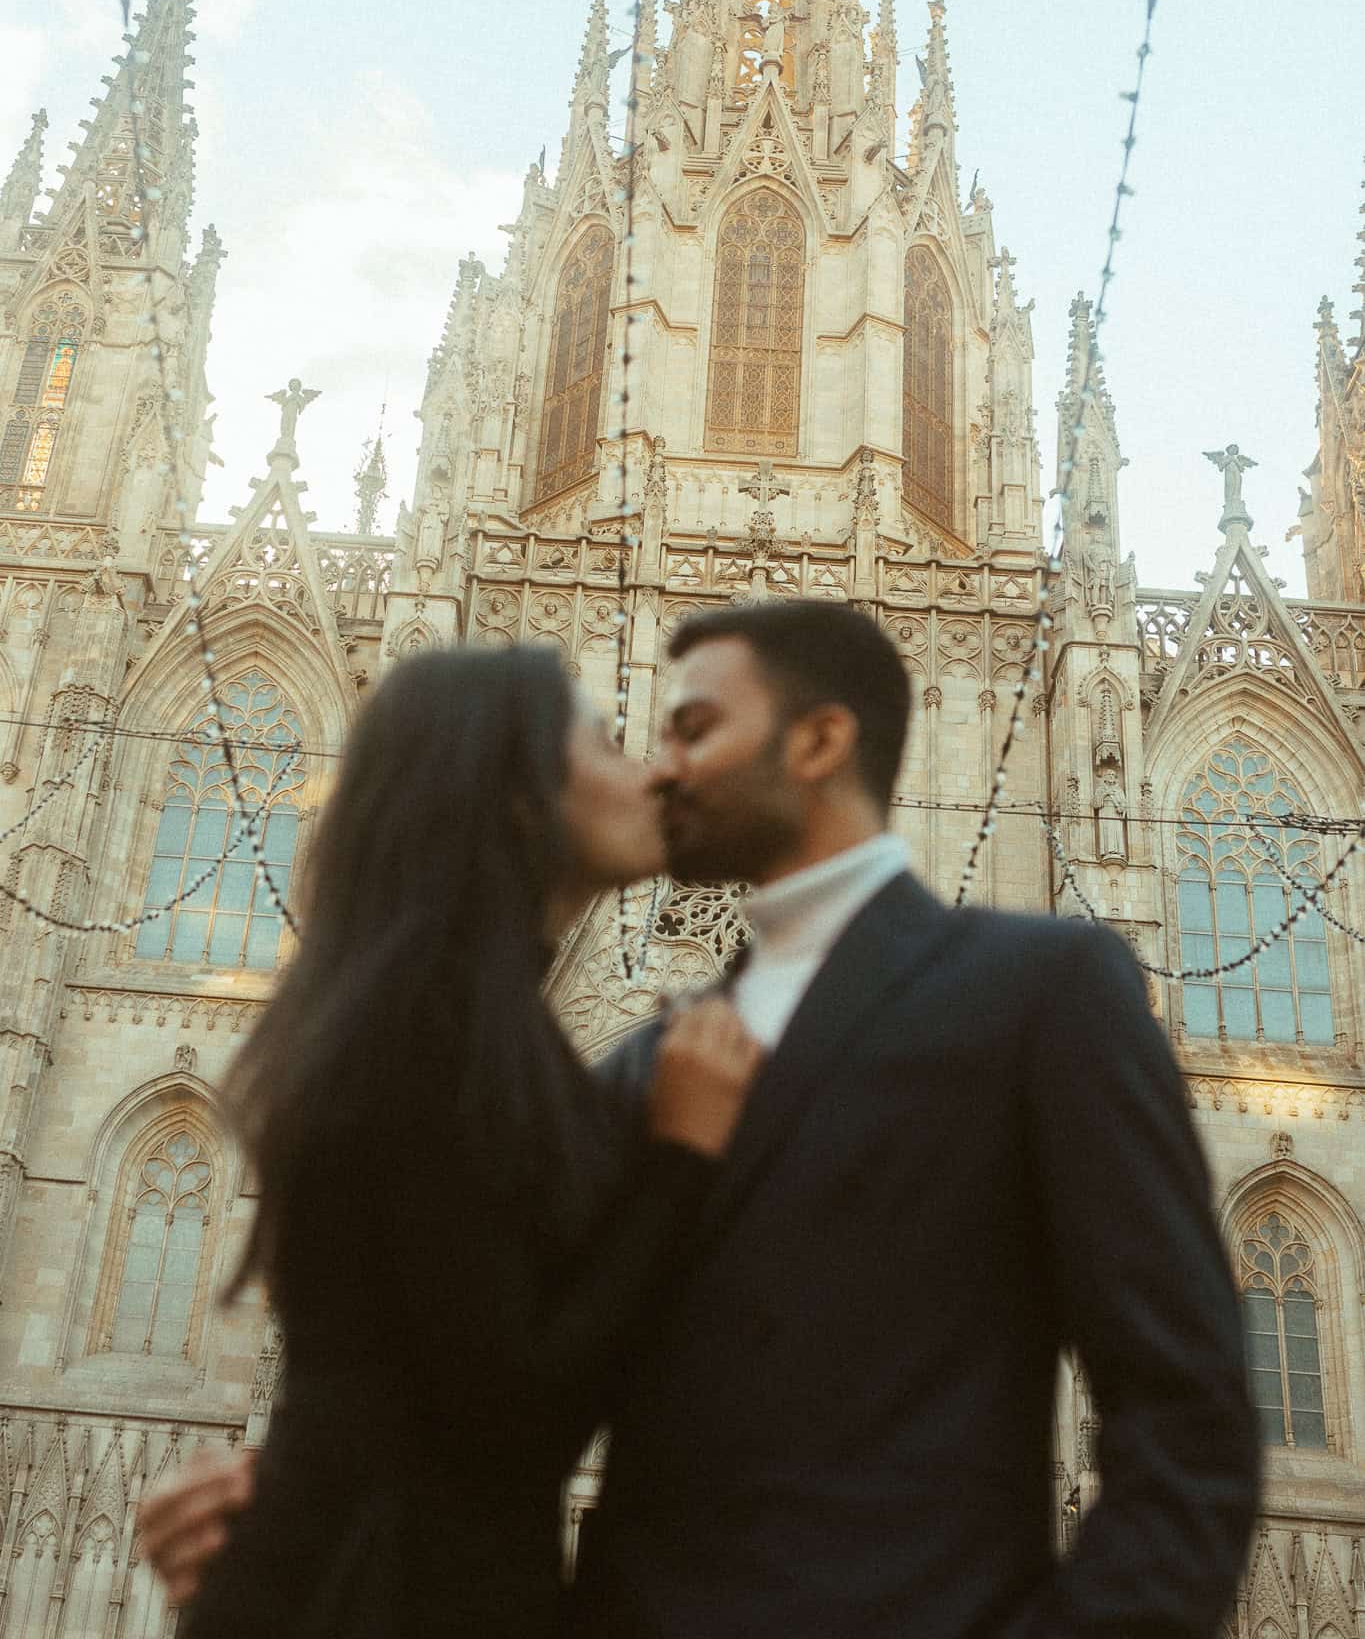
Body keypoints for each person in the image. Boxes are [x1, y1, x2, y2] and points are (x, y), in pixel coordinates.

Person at [145, 599, 1260, 1639]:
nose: (658, 765)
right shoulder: (634, 1073)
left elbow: (1187, 1417)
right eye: (631, 739)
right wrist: (303, 1504)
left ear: (817, 742)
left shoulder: (1043, 993)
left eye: (690, 728)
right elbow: (480, 1364)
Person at [152, 644, 763, 1638]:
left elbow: (421, 1363)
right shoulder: (418, 1033)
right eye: (609, 744)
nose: (653, 771)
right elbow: (510, 1413)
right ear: (517, 799)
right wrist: (681, 1157)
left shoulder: (473, 1027)